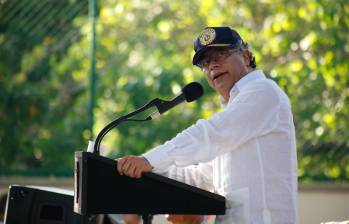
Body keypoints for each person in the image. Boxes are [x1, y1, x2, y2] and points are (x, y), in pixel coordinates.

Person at [117, 26, 298, 224]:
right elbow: (201, 176)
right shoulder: (233, 115)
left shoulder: (264, 92)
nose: (213, 65)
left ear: (245, 57)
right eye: (206, 62)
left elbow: (211, 134)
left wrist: (149, 160)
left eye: (220, 55)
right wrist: (139, 175)